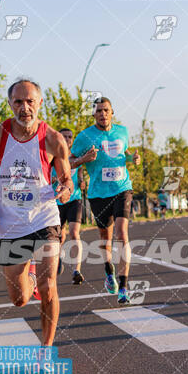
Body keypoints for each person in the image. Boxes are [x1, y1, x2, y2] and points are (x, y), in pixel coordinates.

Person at [0, 78, 73, 346]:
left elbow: (67, 181)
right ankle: (29, 274)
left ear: (40, 103)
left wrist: (64, 191)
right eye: (18, 101)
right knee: (19, 299)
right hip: (11, 223)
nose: (25, 107)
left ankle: (46, 348)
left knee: (49, 287)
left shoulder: (53, 139)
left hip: (45, 218)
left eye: (30, 101)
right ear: (10, 104)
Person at [69, 96, 141, 304]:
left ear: (112, 112)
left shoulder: (123, 131)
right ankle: (108, 270)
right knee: (105, 239)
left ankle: (124, 288)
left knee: (122, 234)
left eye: (106, 110)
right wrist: (84, 159)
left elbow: (124, 154)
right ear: (94, 115)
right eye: (99, 111)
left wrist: (132, 159)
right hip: (98, 194)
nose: (103, 114)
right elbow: (70, 163)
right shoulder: (84, 137)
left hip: (122, 189)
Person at [52, 128, 86, 285]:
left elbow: (79, 175)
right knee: (59, 237)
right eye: (64, 136)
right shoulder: (52, 156)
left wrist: (82, 182)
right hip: (56, 201)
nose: (67, 139)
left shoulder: (76, 157)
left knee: (74, 232)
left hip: (74, 199)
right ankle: (58, 257)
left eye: (70, 137)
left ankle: (76, 270)